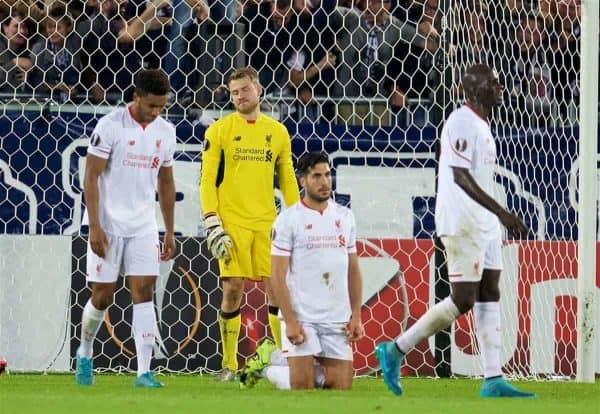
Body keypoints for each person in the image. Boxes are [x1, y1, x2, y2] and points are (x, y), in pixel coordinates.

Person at [375, 64, 536, 398]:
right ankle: (395, 350)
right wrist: (503, 212)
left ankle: (493, 378)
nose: (499, 87)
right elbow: (460, 176)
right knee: (463, 298)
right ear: (474, 88)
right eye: (493, 83)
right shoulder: (461, 120)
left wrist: (494, 218)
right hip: (462, 221)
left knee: (490, 289)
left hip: (484, 223)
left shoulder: (481, 123)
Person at [76, 69, 176, 388]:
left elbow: (166, 180)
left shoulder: (166, 131)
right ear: (136, 97)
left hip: (144, 225)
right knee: (102, 296)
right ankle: (85, 351)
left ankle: (144, 371)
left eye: (162, 106)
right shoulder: (109, 127)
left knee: (144, 290)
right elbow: (90, 177)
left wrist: (169, 231)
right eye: (151, 106)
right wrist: (95, 226)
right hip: (107, 224)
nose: (156, 112)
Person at [199, 66, 300, 381]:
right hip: (232, 222)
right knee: (232, 288)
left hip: (267, 222)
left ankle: (284, 359)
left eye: (243, 89)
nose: (238, 97)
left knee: (276, 289)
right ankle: (229, 365)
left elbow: (287, 179)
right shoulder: (219, 130)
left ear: (258, 89)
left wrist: (298, 217)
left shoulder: (278, 132)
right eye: (233, 92)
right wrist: (211, 219)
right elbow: (206, 181)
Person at [239, 151, 364, 390]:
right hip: (302, 316)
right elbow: (277, 275)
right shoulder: (288, 220)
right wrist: (291, 320)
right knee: (302, 387)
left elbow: (353, 270)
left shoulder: (345, 217)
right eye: (316, 176)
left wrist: (356, 316)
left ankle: (276, 358)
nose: (324, 182)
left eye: (327, 175)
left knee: (340, 387)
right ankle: (269, 367)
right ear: (302, 181)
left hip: (336, 318)